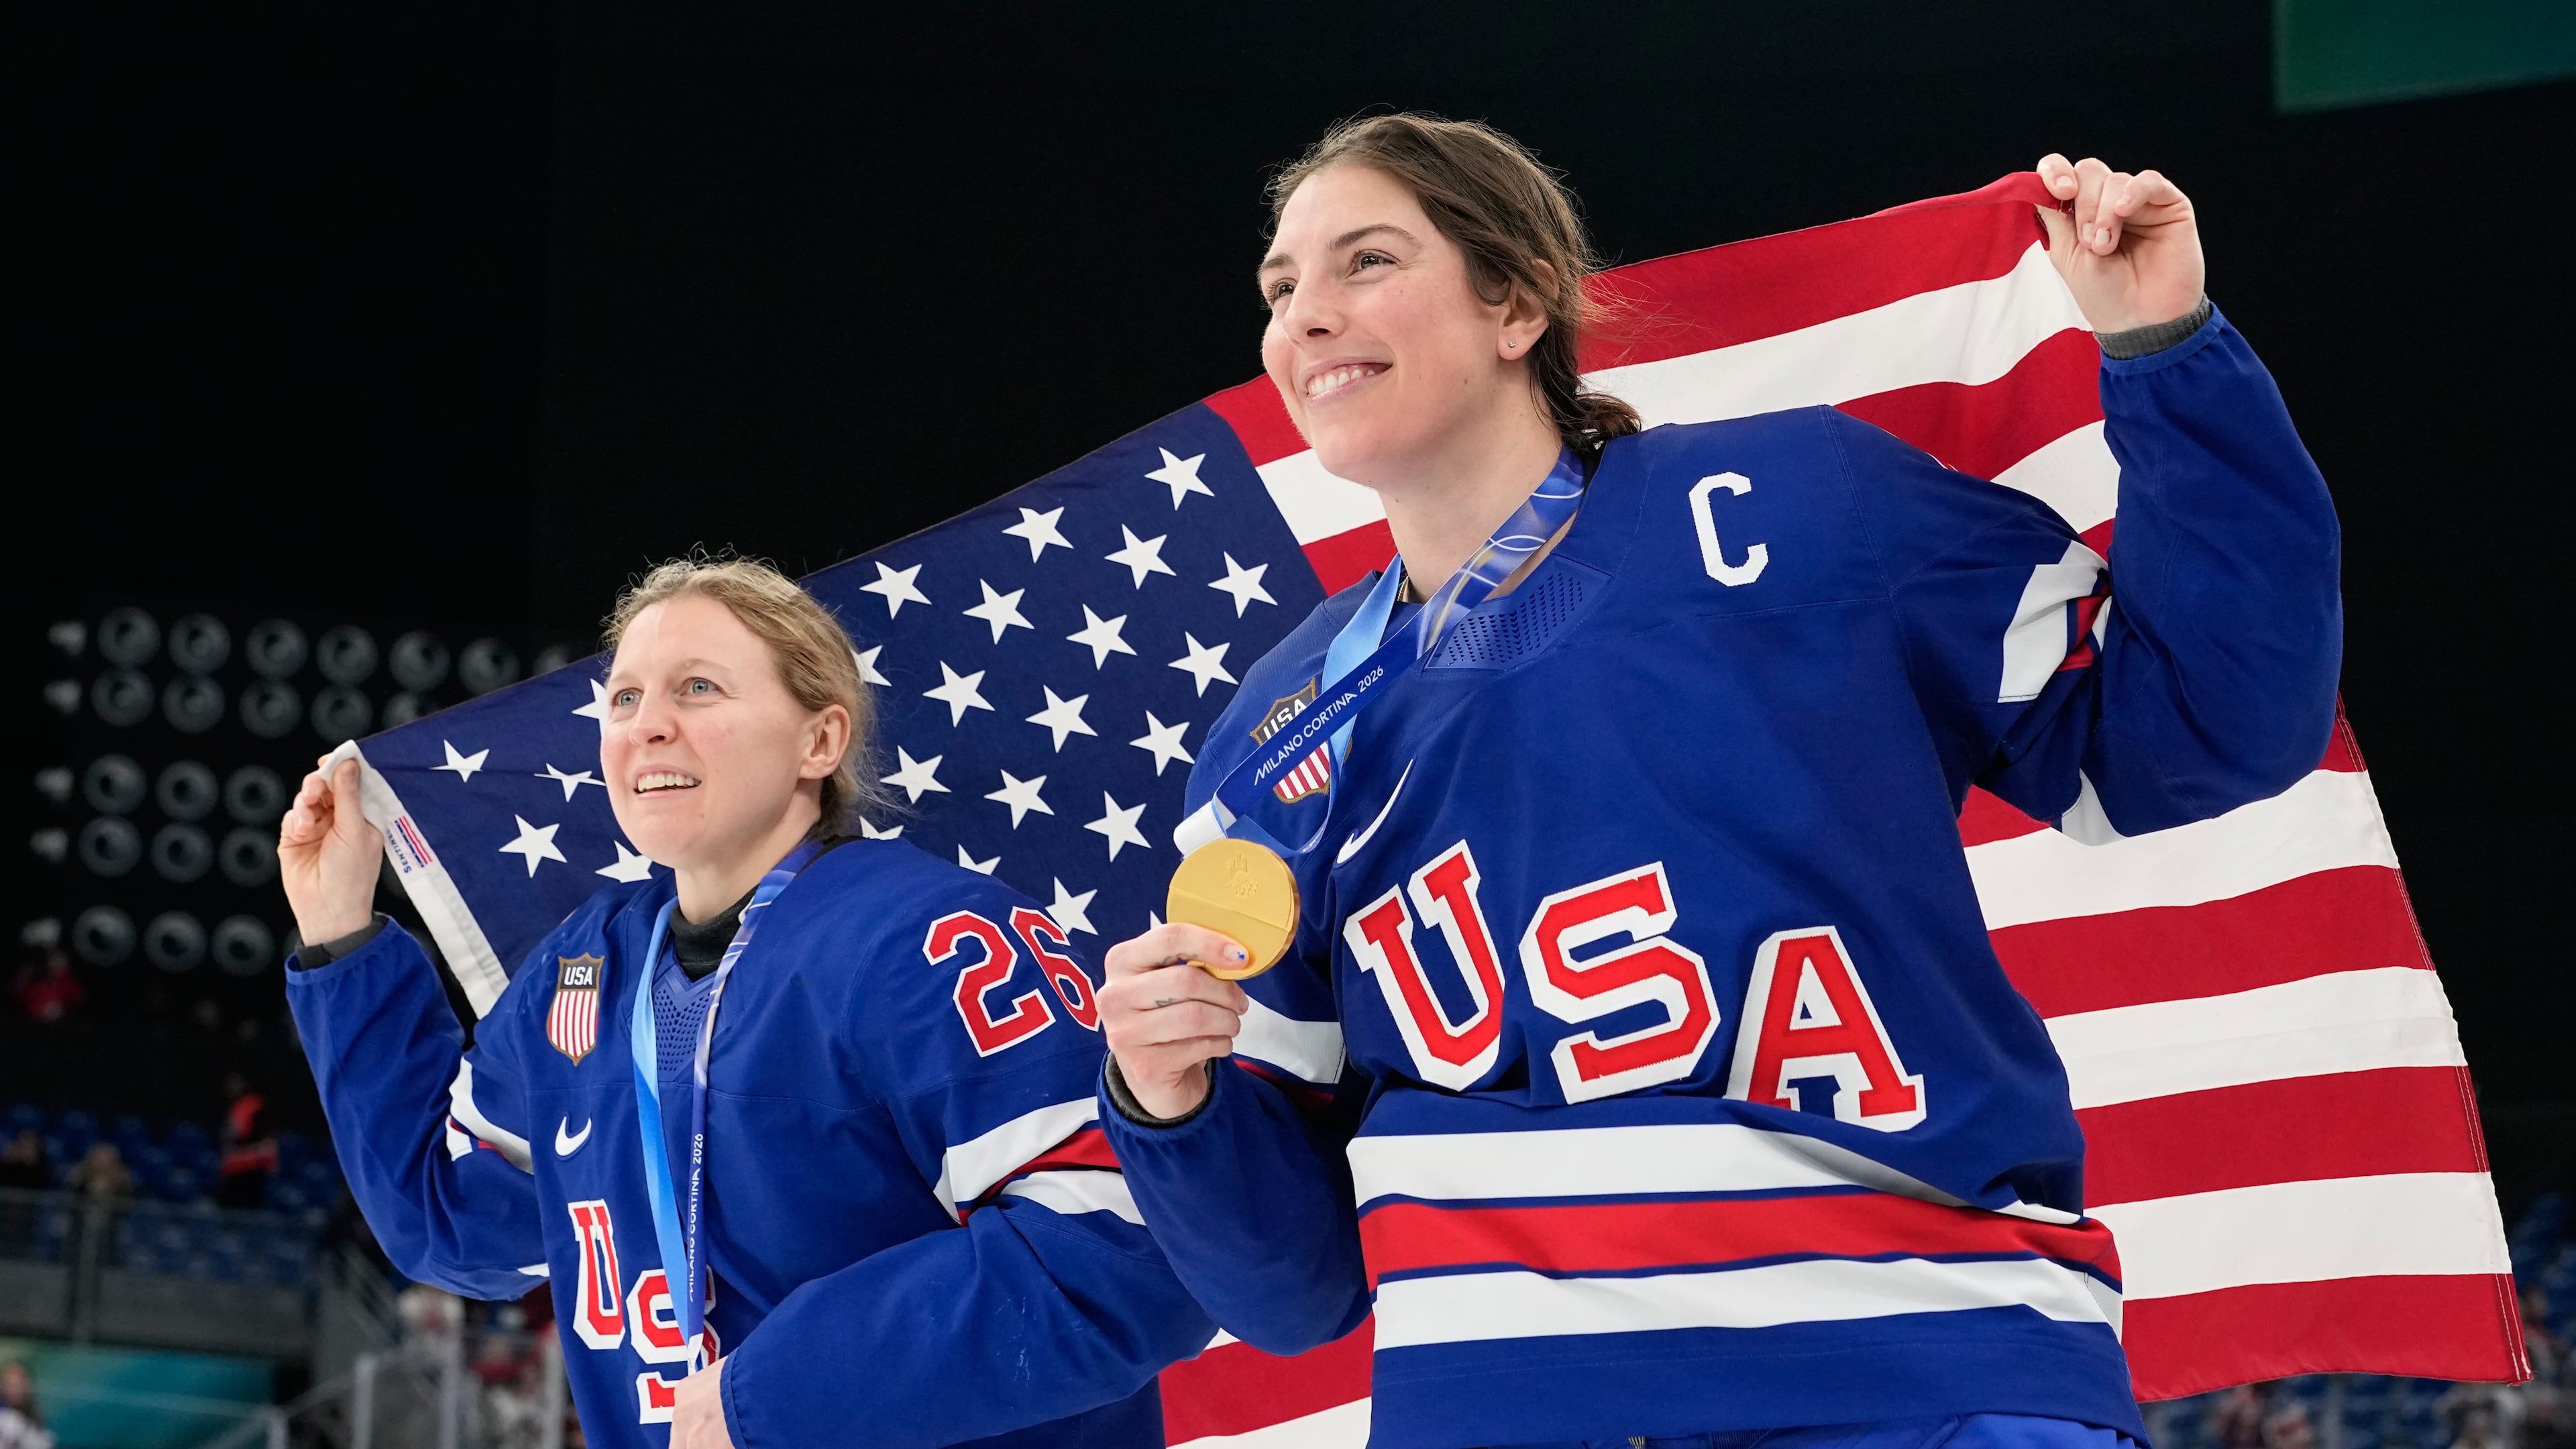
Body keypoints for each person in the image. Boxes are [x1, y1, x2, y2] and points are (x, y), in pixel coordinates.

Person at [1095, 115, 2341, 1449]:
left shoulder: (1806, 509)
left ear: (1516, 301)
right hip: (1513, 1413)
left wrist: (2164, 347)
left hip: (1922, 1379)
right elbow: (1292, 1293)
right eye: (1282, 290)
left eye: (1366, 262)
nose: (1306, 318)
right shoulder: (1266, 752)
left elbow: (2205, 729)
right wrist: (1164, 1103)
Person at [280, 558, 1212, 1449]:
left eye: (699, 689)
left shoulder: (936, 941)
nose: (647, 725)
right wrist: (341, 938)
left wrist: (773, 1394)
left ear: (820, 740)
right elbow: (447, 1224)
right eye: (626, 697)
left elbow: (1121, 1260)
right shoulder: (584, 972)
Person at [215, 1071, 278, 1210]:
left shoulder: (254, 1105)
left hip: (252, 1167)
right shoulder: (234, 1107)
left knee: (249, 1207)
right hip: (235, 1168)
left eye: (236, 1083)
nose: (232, 1088)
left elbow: (264, 1138)